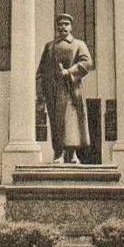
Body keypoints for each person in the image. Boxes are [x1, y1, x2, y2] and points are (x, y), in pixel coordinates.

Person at [36, 14, 92, 164]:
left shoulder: (79, 45)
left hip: (71, 89)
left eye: (66, 24)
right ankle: (58, 154)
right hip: (54, 90)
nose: (62, 27)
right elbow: (41, 70)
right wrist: (41, 92)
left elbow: (86, 63)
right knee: (57, 122)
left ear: (71, 27)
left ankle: (73, 155)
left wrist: (69, 72)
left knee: (72, 121)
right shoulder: (50, 46)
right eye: (60, 24)